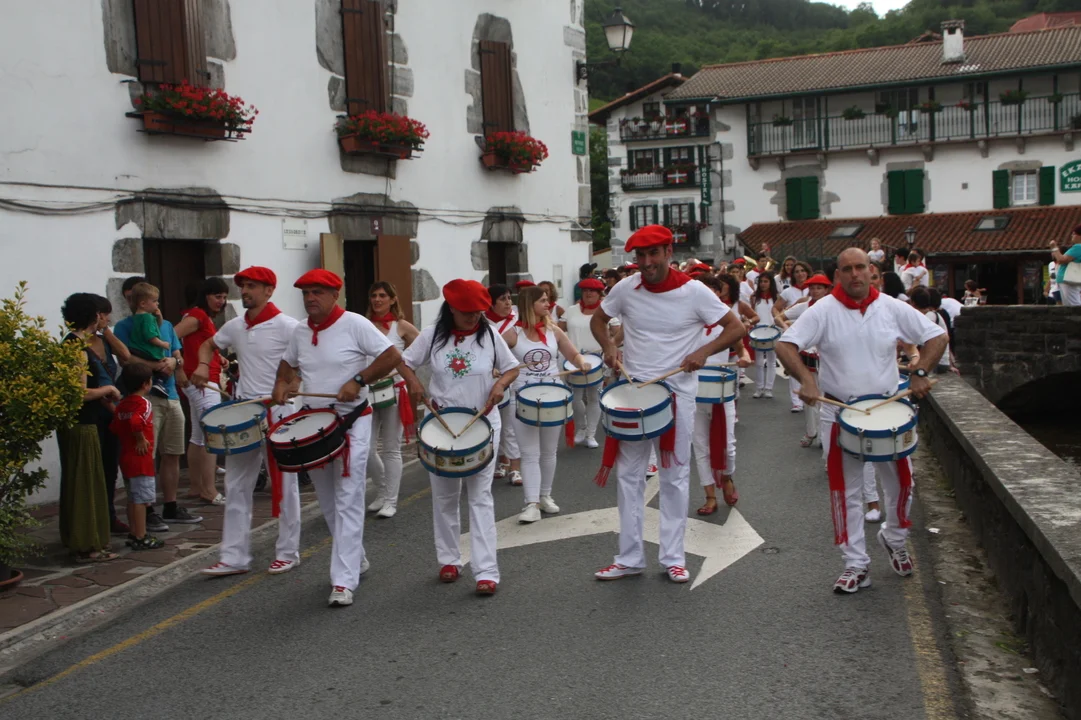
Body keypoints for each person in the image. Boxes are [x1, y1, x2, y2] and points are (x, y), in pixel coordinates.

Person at [775, 248, 948, 594]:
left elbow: (937, 336)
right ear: (838, 275)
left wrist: (919, 372)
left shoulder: (891, 307)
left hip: (888, 409)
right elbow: (785, 345)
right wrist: (807, 381)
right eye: (847, 269)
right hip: (840, 411)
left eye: (860, 267)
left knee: (902, 485)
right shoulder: (822, 310)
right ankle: (855, 564)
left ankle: (894, 538)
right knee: (846, 491)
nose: (854, 274)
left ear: (871, 271)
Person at [588, 225, 745, 584]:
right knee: (629, 476)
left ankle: (673, 558)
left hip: (677, 394)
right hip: (634, 392)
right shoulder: (626, 288)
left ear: (668, 253)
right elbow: (599, 319)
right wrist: (609, 346)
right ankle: (629, 558)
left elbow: (735, 327)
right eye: (640, 256)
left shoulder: (695, 292)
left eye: (653, 254)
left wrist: (703, 352)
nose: (646, 262)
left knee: (674, 476)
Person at [271, 269, 401, 607]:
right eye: (306, 293)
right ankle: (356, 559)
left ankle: (343, 581)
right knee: (328, 501)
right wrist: (282, 384)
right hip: (314, 425)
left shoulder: (355, 323)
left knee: (347, 496)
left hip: (352, 421)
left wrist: (358, 380)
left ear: (334, 295)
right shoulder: (300, 331)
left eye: (317, 292)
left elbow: (391, 355)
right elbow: (287, 365)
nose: (310, 298)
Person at [400, 280, 520, 595]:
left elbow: (512, 368)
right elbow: (404, 362)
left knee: (480, 497)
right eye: (467, 311)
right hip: (442, 426)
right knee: (444, 496)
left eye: (478, 311)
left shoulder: (490, 335)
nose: (474, 316)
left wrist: (500, 385)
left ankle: (486, 572)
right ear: (451, 308)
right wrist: (413, 382)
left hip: (482, 423)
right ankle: (449, 560)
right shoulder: (432, 336)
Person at [194, 266, 305, 577]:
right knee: (235, 484)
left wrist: (294, 382)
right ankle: (234, 557)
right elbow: (208, 345)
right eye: (242, 286)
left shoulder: (288, 326)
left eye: (252, 286)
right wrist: (202, 365)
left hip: (278, 412)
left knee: (285, 484)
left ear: (269, 290)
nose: (244, 291)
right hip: (244, 412)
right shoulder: (235, 326)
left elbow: (303, 360)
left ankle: (288, 552)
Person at [114, 278, 202, 531]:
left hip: (170, 395)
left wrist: (175, 363)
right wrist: (155, 366)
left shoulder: (165, 326)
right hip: (145, 397)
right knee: (145, 454)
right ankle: (147, 510)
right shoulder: (124, 326)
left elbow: (177, 353)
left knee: (172, 452)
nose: (156, 304)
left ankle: (171, 506)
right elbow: (125, 358)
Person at [503, 285, 590, 523]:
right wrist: (496, 371)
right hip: (522, 398)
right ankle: (531, 503)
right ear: (529, 304)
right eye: (542, 300)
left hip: (553, 397)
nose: (547, 304)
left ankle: (545, 496)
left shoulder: (554, 331)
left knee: (549, 452)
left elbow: (573, 354)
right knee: (529, 453)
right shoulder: (512, 334)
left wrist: (581, 362)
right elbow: (495, 359)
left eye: (547, 300)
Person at [58, 293, 120, 563]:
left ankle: (82, 540)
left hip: (81, 423)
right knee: (86, 484)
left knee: (82, 482)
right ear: (93, 316)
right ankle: (87, 545)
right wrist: (107, 390)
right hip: (84, 424)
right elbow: (79, 392)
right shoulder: (77, 348)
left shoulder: (72, 344)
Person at [692, 275, 750, 515]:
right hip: (694, 390)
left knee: (729, 445)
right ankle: (709, 496)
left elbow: (741, 349)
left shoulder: (728, 321)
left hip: (721, 391)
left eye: (712, 290)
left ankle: (726, 477)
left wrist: (744, 357)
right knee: (700, 445)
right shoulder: (687, 322)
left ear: (718, 294)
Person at [365, 281, 420, 519]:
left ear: (393, 299)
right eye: (374, 295)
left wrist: (407, 369)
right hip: (367, 391)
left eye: (382, 295)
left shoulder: (402, 326)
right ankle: (382, 490)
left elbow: (422, 349)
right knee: (365, 449)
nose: (377, 300)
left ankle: (390, 500)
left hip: (394, 391)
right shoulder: (363, 325)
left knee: (390, 448)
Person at [175, 277, 229, 506]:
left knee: (198, 436)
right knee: (211, 434)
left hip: (200, 380)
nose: (221, 301)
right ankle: (209, 489)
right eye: (217, 296)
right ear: (206, 296)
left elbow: (198, 344)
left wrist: (218, 358)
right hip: (202, 382)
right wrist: (178, 366)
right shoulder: (197, 316)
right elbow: (171, 337)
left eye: (224, 297)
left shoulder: (197, 315)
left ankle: (197, 486)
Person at [109, 363, 164, 551]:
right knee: (142, 500)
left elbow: (115, 426)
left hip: (126, 457)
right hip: (141, 460)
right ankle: (141, 535)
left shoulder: (122, 405)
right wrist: (140, 439)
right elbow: (136, 421)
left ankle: (134, 532)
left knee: (132, 498)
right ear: (146, 384)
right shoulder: (144, 403)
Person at [89, 295, 130, 535]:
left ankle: (110, 515)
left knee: (110, 467)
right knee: (95, 468)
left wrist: (106, 332)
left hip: (112, 410)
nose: (108, 318)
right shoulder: (77, 344)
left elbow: (125, 356)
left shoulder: (104, 341)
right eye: (104, 314)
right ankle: (96, 519)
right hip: (95, 410)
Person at [775, 273, 832, 429]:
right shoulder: (803, 307)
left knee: (828, 397)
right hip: (808, 355)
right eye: (812, 288)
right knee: (812, 396)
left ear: (826, 290)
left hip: (827, 357)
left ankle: (824, 432)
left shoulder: (834, 308)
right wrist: (786, 327)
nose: (815, 291)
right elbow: (778, 318)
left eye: (819, 288)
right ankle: (812, 432)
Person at [559, 277, 608, 448]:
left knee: (594, 397)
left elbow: (617, 333)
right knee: (575, 397)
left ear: (599, 293)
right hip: (574, 360)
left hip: (597, 359)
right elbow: (558, 330)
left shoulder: (606, 310)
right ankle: (581, 427)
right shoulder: (571, 310)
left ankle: (591, 434)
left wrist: (609, 349)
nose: (588, 293)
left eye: (592, 291)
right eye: (585, 290)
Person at [485, 284, 522, 485]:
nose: (508, 302)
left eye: (509, 298)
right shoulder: (483, 323)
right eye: (502, 299)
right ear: (491, 303)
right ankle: (502, 460)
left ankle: (515, 468)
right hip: (489, 382)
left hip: (513, 379)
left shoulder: (517, 321)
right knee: (493, 425)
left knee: (509, 426)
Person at [126, 283, 173, 397]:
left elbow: (155, 327)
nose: (157, 304)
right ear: (143, 304)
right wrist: (163, 344)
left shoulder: (138, 316)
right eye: (154, 301)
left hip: (136, 347)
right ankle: (159, 383)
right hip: (147, 350)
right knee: (164, 365)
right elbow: (151, 336)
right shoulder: (147, 317)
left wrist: (159, 317)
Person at [750, 272, 779, 399]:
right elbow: (752, 313)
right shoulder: (754, 297)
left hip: (773, 331)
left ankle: (769, 388)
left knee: (772, 361)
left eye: (766, 281)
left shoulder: (777, 297)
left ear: (771, 283)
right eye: (761, 281)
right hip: (758, 331)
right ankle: (759, 388)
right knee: (759, 362)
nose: (763, 284)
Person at [1051, 227, 1081, 307]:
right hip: (1071, 279)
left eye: (1074, 234)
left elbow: (1061, 260)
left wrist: (1054, 248)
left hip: (1068, 279)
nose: (1072, 236)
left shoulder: (1078, 247)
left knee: (1073, 305)